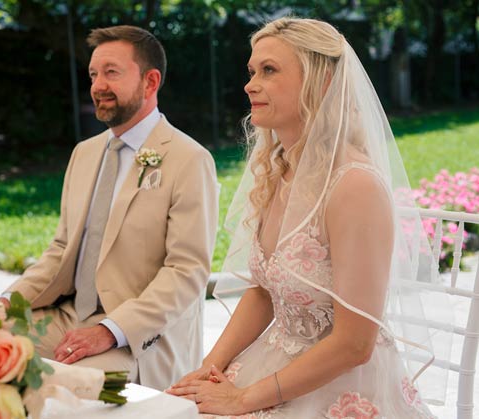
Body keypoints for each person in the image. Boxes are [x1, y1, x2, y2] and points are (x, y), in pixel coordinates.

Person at [167, 17, 442, 417]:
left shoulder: (354, 187)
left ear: (322, 81)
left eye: (269, 70)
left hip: (338, 382)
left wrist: (244, 398)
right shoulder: (278, 169)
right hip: (276, 361)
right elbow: (263, 291)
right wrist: (209, 369)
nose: (249, 84)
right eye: (251, 71)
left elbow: (355, 344)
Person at [0, 25, 219, 391]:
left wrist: (108, 331)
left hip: (136, 334)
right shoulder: (84, 153)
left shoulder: (189, 159)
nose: (98, 85)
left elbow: (187, 272)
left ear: (150, 82)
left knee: (85, 387)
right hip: (66, 313)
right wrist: (7, 302)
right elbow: (60, 251)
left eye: (111, 72)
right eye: (93, 74)